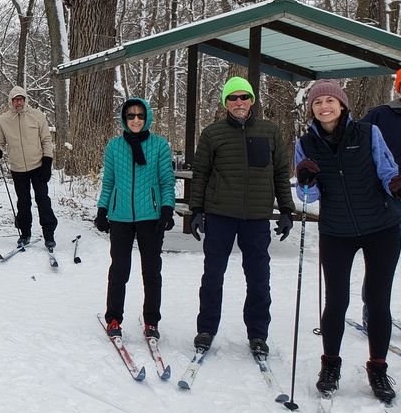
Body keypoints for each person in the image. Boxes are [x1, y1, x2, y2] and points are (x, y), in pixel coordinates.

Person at [295, 80, 401, 403]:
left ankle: (378, 367)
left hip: (381, 227)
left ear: (342, 105)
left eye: (330, 100)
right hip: (337, 231)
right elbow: (308, 195)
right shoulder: (305, 144)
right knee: (336, 301)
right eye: (317, 103)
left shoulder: (368, 133)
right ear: (312, 109)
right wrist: (306, 179)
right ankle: (330, 366)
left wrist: (399, 185)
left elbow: (388, 172)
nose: (324, 107)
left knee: (377, 300)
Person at [187, 76, 294, 357]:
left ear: (251, 101)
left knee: (259, 278)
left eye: (243, 97)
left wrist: (286, 210)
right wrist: (196, 210)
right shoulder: (213, 134)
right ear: (225, 103)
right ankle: (206, 329)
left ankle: (258, 334)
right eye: (232, 98)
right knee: (213, 276)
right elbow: (201, 175)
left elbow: (281, 173)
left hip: (257, 217)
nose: (238, 103)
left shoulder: (270, 131)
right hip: (220, 214)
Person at [94, 98, 175, 339]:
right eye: (131, 116)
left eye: (140, 115)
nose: (136, 120)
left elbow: (166, 182)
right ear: (124, 118)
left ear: (147, 117)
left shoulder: (160, 146)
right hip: (120, 217)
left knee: (151, 270)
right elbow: (108, 182)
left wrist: (167, 208)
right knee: (119, 269)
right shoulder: (114, 146)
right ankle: (114, 318)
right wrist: (102, 210)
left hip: (150, 217)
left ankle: (151, 320)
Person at [360, 63, 401, 325]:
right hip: (388, 199)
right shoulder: (381, 115)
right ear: (398, 87)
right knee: (383, 259)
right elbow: (355, 147)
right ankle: (373, 312)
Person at [0, 86, 56, 249]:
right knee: (23, 202)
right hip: (18, 168)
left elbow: (47, 140)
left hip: (38, 165)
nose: (18, 102)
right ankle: (25, 233)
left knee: (43, 199)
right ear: (11, 101)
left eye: (20, 99)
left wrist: (47, 161)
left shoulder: (37, 116)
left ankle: (49, 234)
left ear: (25, 100)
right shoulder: (3, 120)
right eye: (15, 99)